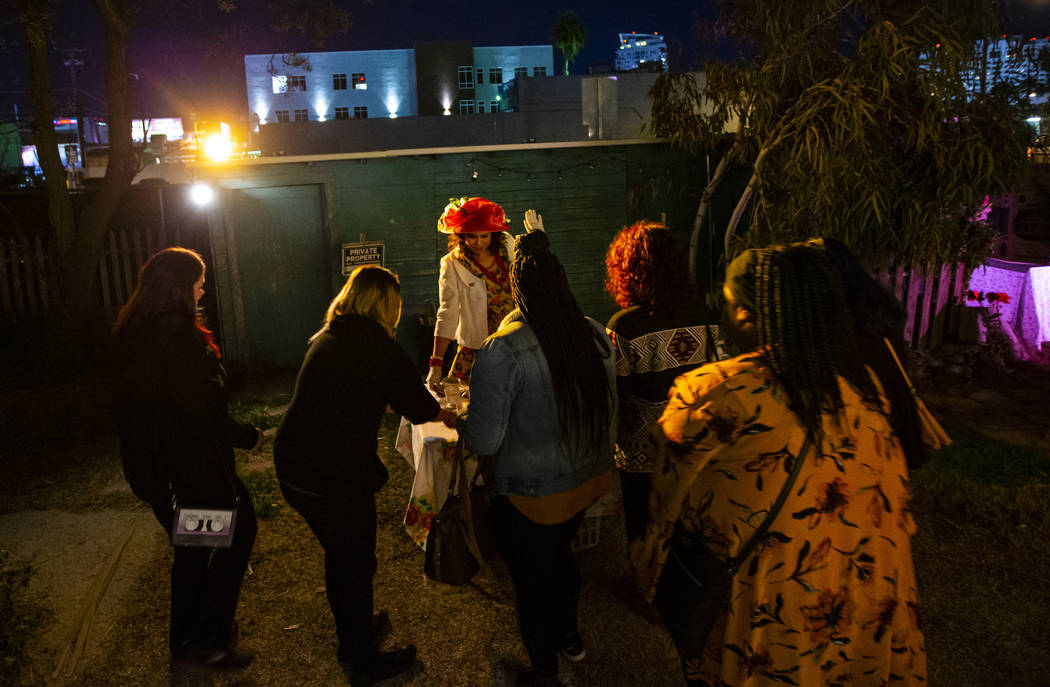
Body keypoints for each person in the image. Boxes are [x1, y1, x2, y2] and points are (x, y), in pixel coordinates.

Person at [631, 244, 927, 686]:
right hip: (866, 619)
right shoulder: (866, 395)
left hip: (769, 626)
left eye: (729, 307)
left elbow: (666, 510)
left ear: (748, 315)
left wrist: (646, 568)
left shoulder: (715, 394)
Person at [274, 265, 457, 685]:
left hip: (297, 465)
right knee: (355, 560)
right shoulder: (376, 343)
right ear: (386, 304)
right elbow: (417, 403)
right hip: (330, 475)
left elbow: (354, 388)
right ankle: (363, 660)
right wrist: (444, 413)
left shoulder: (331, 334)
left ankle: (353, 635)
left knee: (343, 558)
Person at [464, 230, 617, 687]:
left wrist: (464, 420)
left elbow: (484, 442)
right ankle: (570, 635)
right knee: (563, 557)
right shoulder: (592, 332)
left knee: (530, 581)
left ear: (517, 290)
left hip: (530, 494)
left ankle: (544, 668)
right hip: (586, 481)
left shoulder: (504, 349)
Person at [111, 247, 261, 674]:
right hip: (190, 473)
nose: (202, 291)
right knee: (220, 543)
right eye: (198, 283)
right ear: (178, 287)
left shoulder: (135, 332)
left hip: (165, 471)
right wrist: (246, 436)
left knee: (201, 550)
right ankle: (200, 642)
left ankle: (199, 636)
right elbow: (197, 411)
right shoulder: (175, 339)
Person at [604, 221, 724, 542]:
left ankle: (646, 589)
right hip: (696, 445)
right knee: (691, 529)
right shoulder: (708, 314)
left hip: (643, 455)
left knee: (644, 532)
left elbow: (615, 395)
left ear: (627, 269)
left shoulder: (624, 326)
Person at [427, 197, 544, 390]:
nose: (478, 242)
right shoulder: (452, 263)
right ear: (461, 236)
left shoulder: (508, 246)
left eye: (484, 236)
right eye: (472, 236)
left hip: (516, 340)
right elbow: (447, 313)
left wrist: (538, 245)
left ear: (493, 234)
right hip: (477, 349)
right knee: (471, 404)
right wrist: (436, 363)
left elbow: (534, 279)